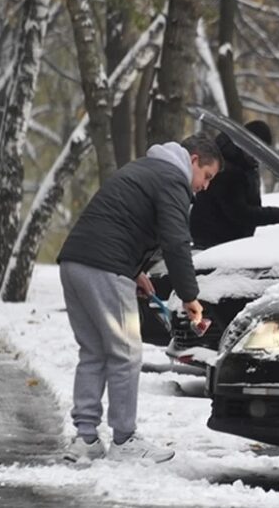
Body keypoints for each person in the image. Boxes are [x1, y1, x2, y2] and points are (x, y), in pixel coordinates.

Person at [56, 134, 222, 465]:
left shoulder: (144, 168)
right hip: (105, 267)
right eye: (207, 176)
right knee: (127, 353)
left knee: (94, 352)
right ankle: (124, 438)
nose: (205, 187)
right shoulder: (173, 179)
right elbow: (176, 242)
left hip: (74, 262)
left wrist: (134, 271)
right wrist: (190, 296)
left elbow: (121, 222)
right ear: (192, 161)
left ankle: (85, 439)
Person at [190, 120, 279, 248]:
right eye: (256, 151)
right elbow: (239, 213)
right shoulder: (225, 169)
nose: (258, 158)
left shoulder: (245, 163)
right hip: (212, 244)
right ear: (245, 143)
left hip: (229, 243)